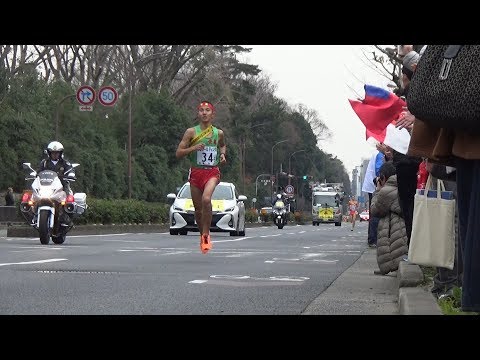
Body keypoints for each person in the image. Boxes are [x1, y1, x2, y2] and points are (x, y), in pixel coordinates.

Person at [175, 101, 226, 254]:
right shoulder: (191, 132)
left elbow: (222, 145)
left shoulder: (218, 133)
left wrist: (223, 154)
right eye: (201, 110)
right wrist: (193, 148)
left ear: (212, 114)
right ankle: (201, 233)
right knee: (198, 209)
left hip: (212, 172)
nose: (204, 113)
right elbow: (178, 153)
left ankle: (206, 234)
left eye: (207, 110)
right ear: (198, 114)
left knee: (206, 199)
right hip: (196, 173)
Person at [370, 162, 408, 275]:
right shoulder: (403, 184)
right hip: (405, 227)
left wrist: (378, 190)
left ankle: (392, 264)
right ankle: (395, 264)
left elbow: (375, 210)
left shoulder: (387, 190)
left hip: (398, 228)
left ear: (383, 177)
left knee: (385, 219)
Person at [37, 141, 75, 226]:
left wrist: (71, 174)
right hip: (46, 185)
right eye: (53, 152)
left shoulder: (65, 163)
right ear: (49, 153)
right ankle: (34, 215)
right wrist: (34, 174)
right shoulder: (44, 162)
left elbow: (70, 169)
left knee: (69, 199)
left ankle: (66, 218)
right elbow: (38, 171)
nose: (55, 154)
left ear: (60, 153)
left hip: (62, 185)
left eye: (57, 152)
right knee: (34, 198)